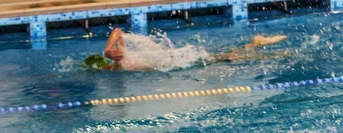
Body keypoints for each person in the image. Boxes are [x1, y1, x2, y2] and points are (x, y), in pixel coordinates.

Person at [83, 27, 288, 70]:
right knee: (222, 58)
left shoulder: (118, 59)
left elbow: (117, 30)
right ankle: (254, 44)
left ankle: (255, 44)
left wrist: (107, 50)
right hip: (171, 61)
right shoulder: (120, 63)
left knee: (225, 58)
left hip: (176, 59)